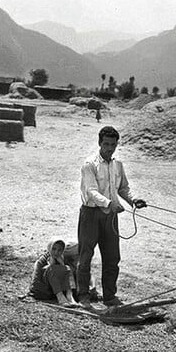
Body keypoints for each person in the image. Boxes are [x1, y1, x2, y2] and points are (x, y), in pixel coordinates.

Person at [77, 125, 146, 308]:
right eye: (106, 144)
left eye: (113, 144)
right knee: (85, 256)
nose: (109, 148)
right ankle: (83, 295)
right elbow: (91, 192)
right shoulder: (90, 165)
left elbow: (123, 188)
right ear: (100, 143)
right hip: (90, 214)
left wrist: (134, 200)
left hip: (110, 217)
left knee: (112, 257)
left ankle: (109, 296)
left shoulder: (118, 165)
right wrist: (109, 203)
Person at [29, 239, 78, 306]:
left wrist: (62, 264)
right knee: (51, 268)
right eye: (54, 249)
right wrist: (51, 265)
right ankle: (60, 297)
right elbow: (36, 280)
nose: (56, 252)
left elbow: (69, 275)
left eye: (59, 250)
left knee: (67, 268)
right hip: (44, 289)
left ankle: (69, 296)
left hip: (57, 289)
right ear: (50, 248)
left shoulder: (62, 258)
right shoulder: (42, 260)